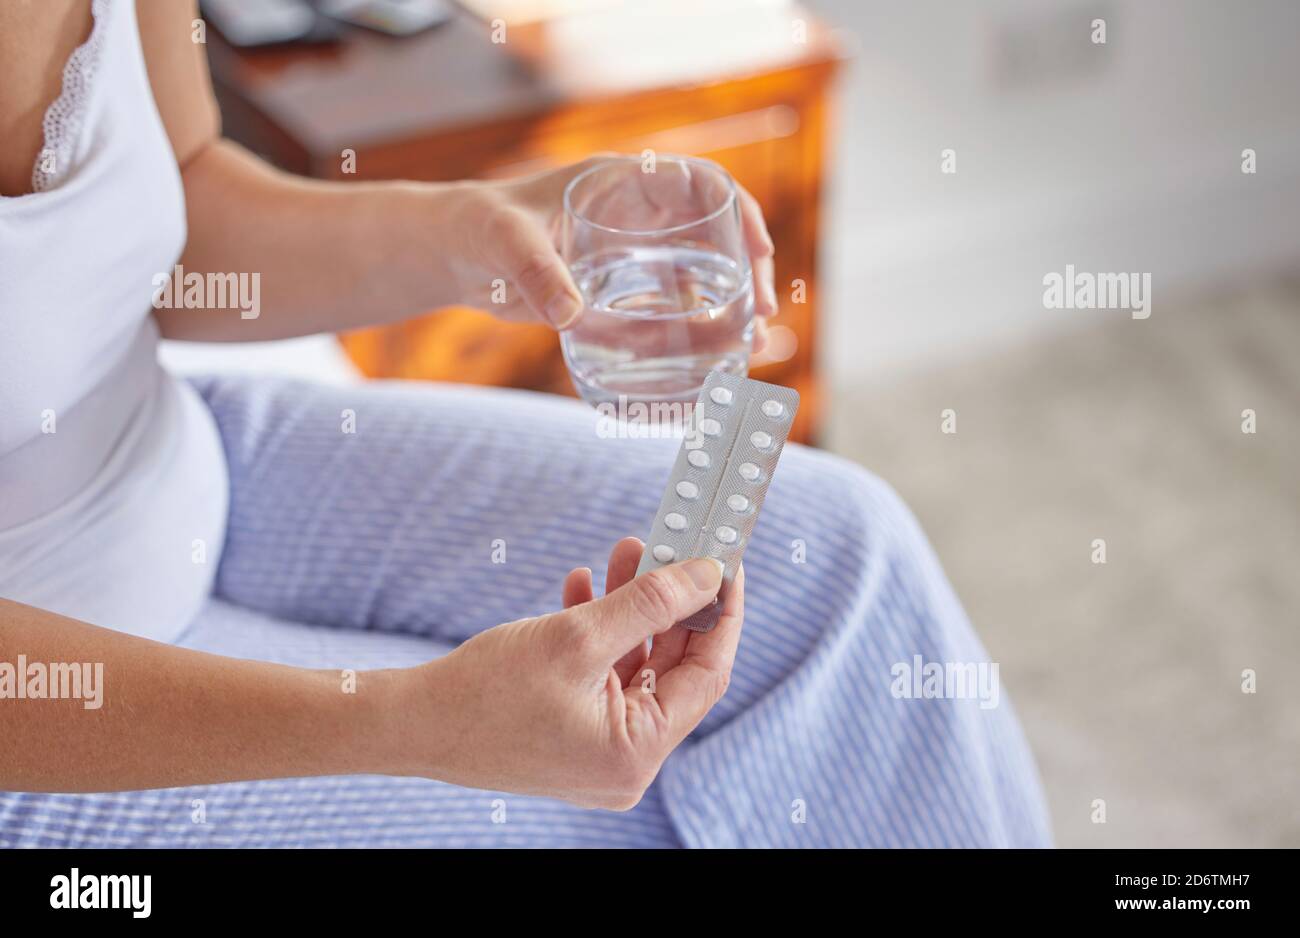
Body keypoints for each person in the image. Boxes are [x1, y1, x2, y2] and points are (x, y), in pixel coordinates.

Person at [0, 0, 1051, 847]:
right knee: (607, 809)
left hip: (173, 459)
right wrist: (407, 721)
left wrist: (474, 230)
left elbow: (184, 211)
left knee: (844, 553)